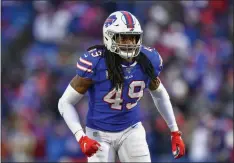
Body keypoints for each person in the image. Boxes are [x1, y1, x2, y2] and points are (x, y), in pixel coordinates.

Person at [58, 11, 185, 162]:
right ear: (109, 36)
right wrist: (81, 137)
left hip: (131, 129)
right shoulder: (96, 62)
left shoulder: (147, 61)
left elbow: (160, 94)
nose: (130, 43)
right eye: (124, 38)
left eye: (133, 38)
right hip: (99, 132)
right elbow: (64, 102)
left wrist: (174, 131)